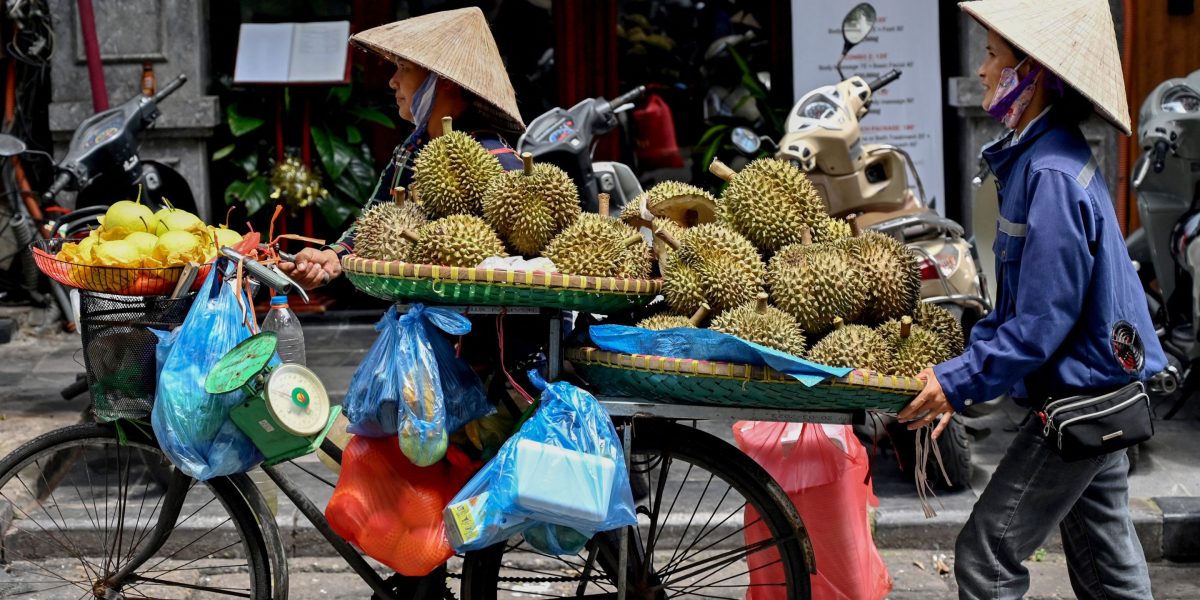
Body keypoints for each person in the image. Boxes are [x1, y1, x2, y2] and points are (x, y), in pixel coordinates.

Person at [896, 1, 1166, 598]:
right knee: (1108, 569)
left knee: (986, 555)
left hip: (1083, 398)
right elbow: (1021, 309)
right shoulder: (1040, 159)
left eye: (993, 56)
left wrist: (958, 380)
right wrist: (956, 374)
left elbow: (1041, 322)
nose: (985, 71)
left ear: (1031, 75)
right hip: (1097, 393)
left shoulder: (1049, 176)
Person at [281, 7, 525, 289]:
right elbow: (378, 218)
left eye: (404, 68)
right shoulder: (412, 149)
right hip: (416, 314)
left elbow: (521, 259)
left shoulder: (499, 161)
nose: (392, 80)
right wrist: (332, 257)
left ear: (442, 80)